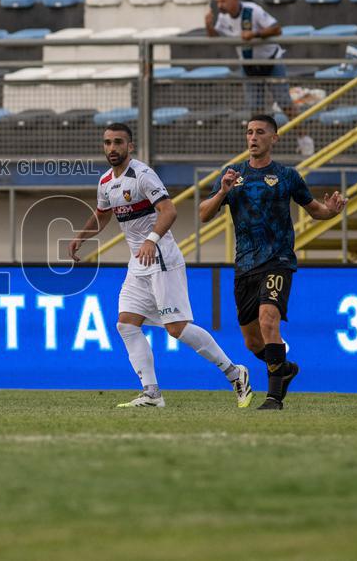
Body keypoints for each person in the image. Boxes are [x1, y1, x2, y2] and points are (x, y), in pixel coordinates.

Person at [69, 123, 253, 408]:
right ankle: (152, 393)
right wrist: (81, 237)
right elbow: (103, 214)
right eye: (107, 143)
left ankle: (234, 372)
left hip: (161, 256)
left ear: (130, 146)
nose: (112, 148)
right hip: (138, 262)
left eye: (118, 142)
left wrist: (152, 240)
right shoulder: (106, 181)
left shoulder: (142, 175)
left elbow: (169, 210)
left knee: (176, 328)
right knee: (126, 324)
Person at [199, 114, 348, 410]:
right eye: (249, 132)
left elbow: (315, 210)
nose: (253, 138)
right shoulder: (233, 175)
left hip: (278, 261)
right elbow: (203, 214)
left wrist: (331, 210)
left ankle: (273, 397)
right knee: (253, 343)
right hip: (245, 266)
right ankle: (285, 369)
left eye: (260, 132)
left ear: (274, 138)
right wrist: (223, 191)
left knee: (269, 319)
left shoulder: (287, 176)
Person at [205, 0, 297, 119]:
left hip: (271, 61)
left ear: (235, 0)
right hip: (248, 66)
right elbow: (214, 37)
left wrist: (255, 34)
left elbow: (276, 29)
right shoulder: (222, 17)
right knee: (255, 109)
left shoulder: (253, 10)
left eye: (223, 2)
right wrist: (208, 27)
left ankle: (303, 137)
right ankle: (259, 139)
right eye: (218, 2)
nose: (220, 5)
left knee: (285, 103)